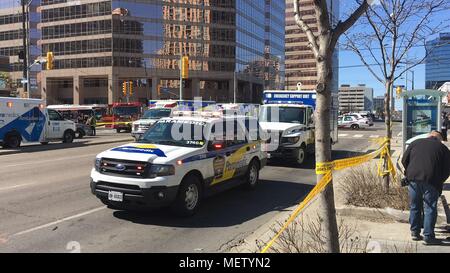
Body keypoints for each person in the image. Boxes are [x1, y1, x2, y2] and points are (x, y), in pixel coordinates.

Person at [402, 131, 450, 245]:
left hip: (413, 179)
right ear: (439, 139)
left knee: (415, 206)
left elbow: (404, 160)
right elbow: (447, 169)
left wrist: (409, 172)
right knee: (430, 208)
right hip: (431, 181)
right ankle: (428, 236)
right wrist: (440, 180)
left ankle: (415, 232)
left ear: (428, 136)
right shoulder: (443, 148)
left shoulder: (415, 143)